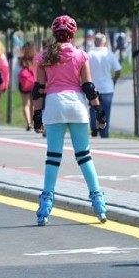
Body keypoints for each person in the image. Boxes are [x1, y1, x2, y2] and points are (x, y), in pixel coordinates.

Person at [31, 15, 107, 226]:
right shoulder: (81, 55)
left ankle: (45, 205)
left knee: (53, 158)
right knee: (84, 156)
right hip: (76, 106)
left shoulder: (43, 57)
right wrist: (99, 112)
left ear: (54, 34)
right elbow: (89, 88)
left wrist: (37, 117)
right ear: (73, 35)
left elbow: (38, 90)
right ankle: (99, 202)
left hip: (54, 106)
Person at [88, 33, 122, 138]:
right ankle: (104, 133)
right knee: (106, 112)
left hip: (93, 87)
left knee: (93, 108)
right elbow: (118, 70)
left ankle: (94, 126)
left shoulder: (89, 54)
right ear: (104, 42)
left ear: (95, 42)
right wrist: (114, 79)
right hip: (107, 87)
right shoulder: (109, 54)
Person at [17, 41, 37, 131]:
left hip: (24, 82)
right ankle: (32, 122)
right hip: (34, 82)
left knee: (25, 104)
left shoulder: (21, 59)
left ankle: (28, 123)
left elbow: (17, 70)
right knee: (33, 105)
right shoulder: (36, 58)